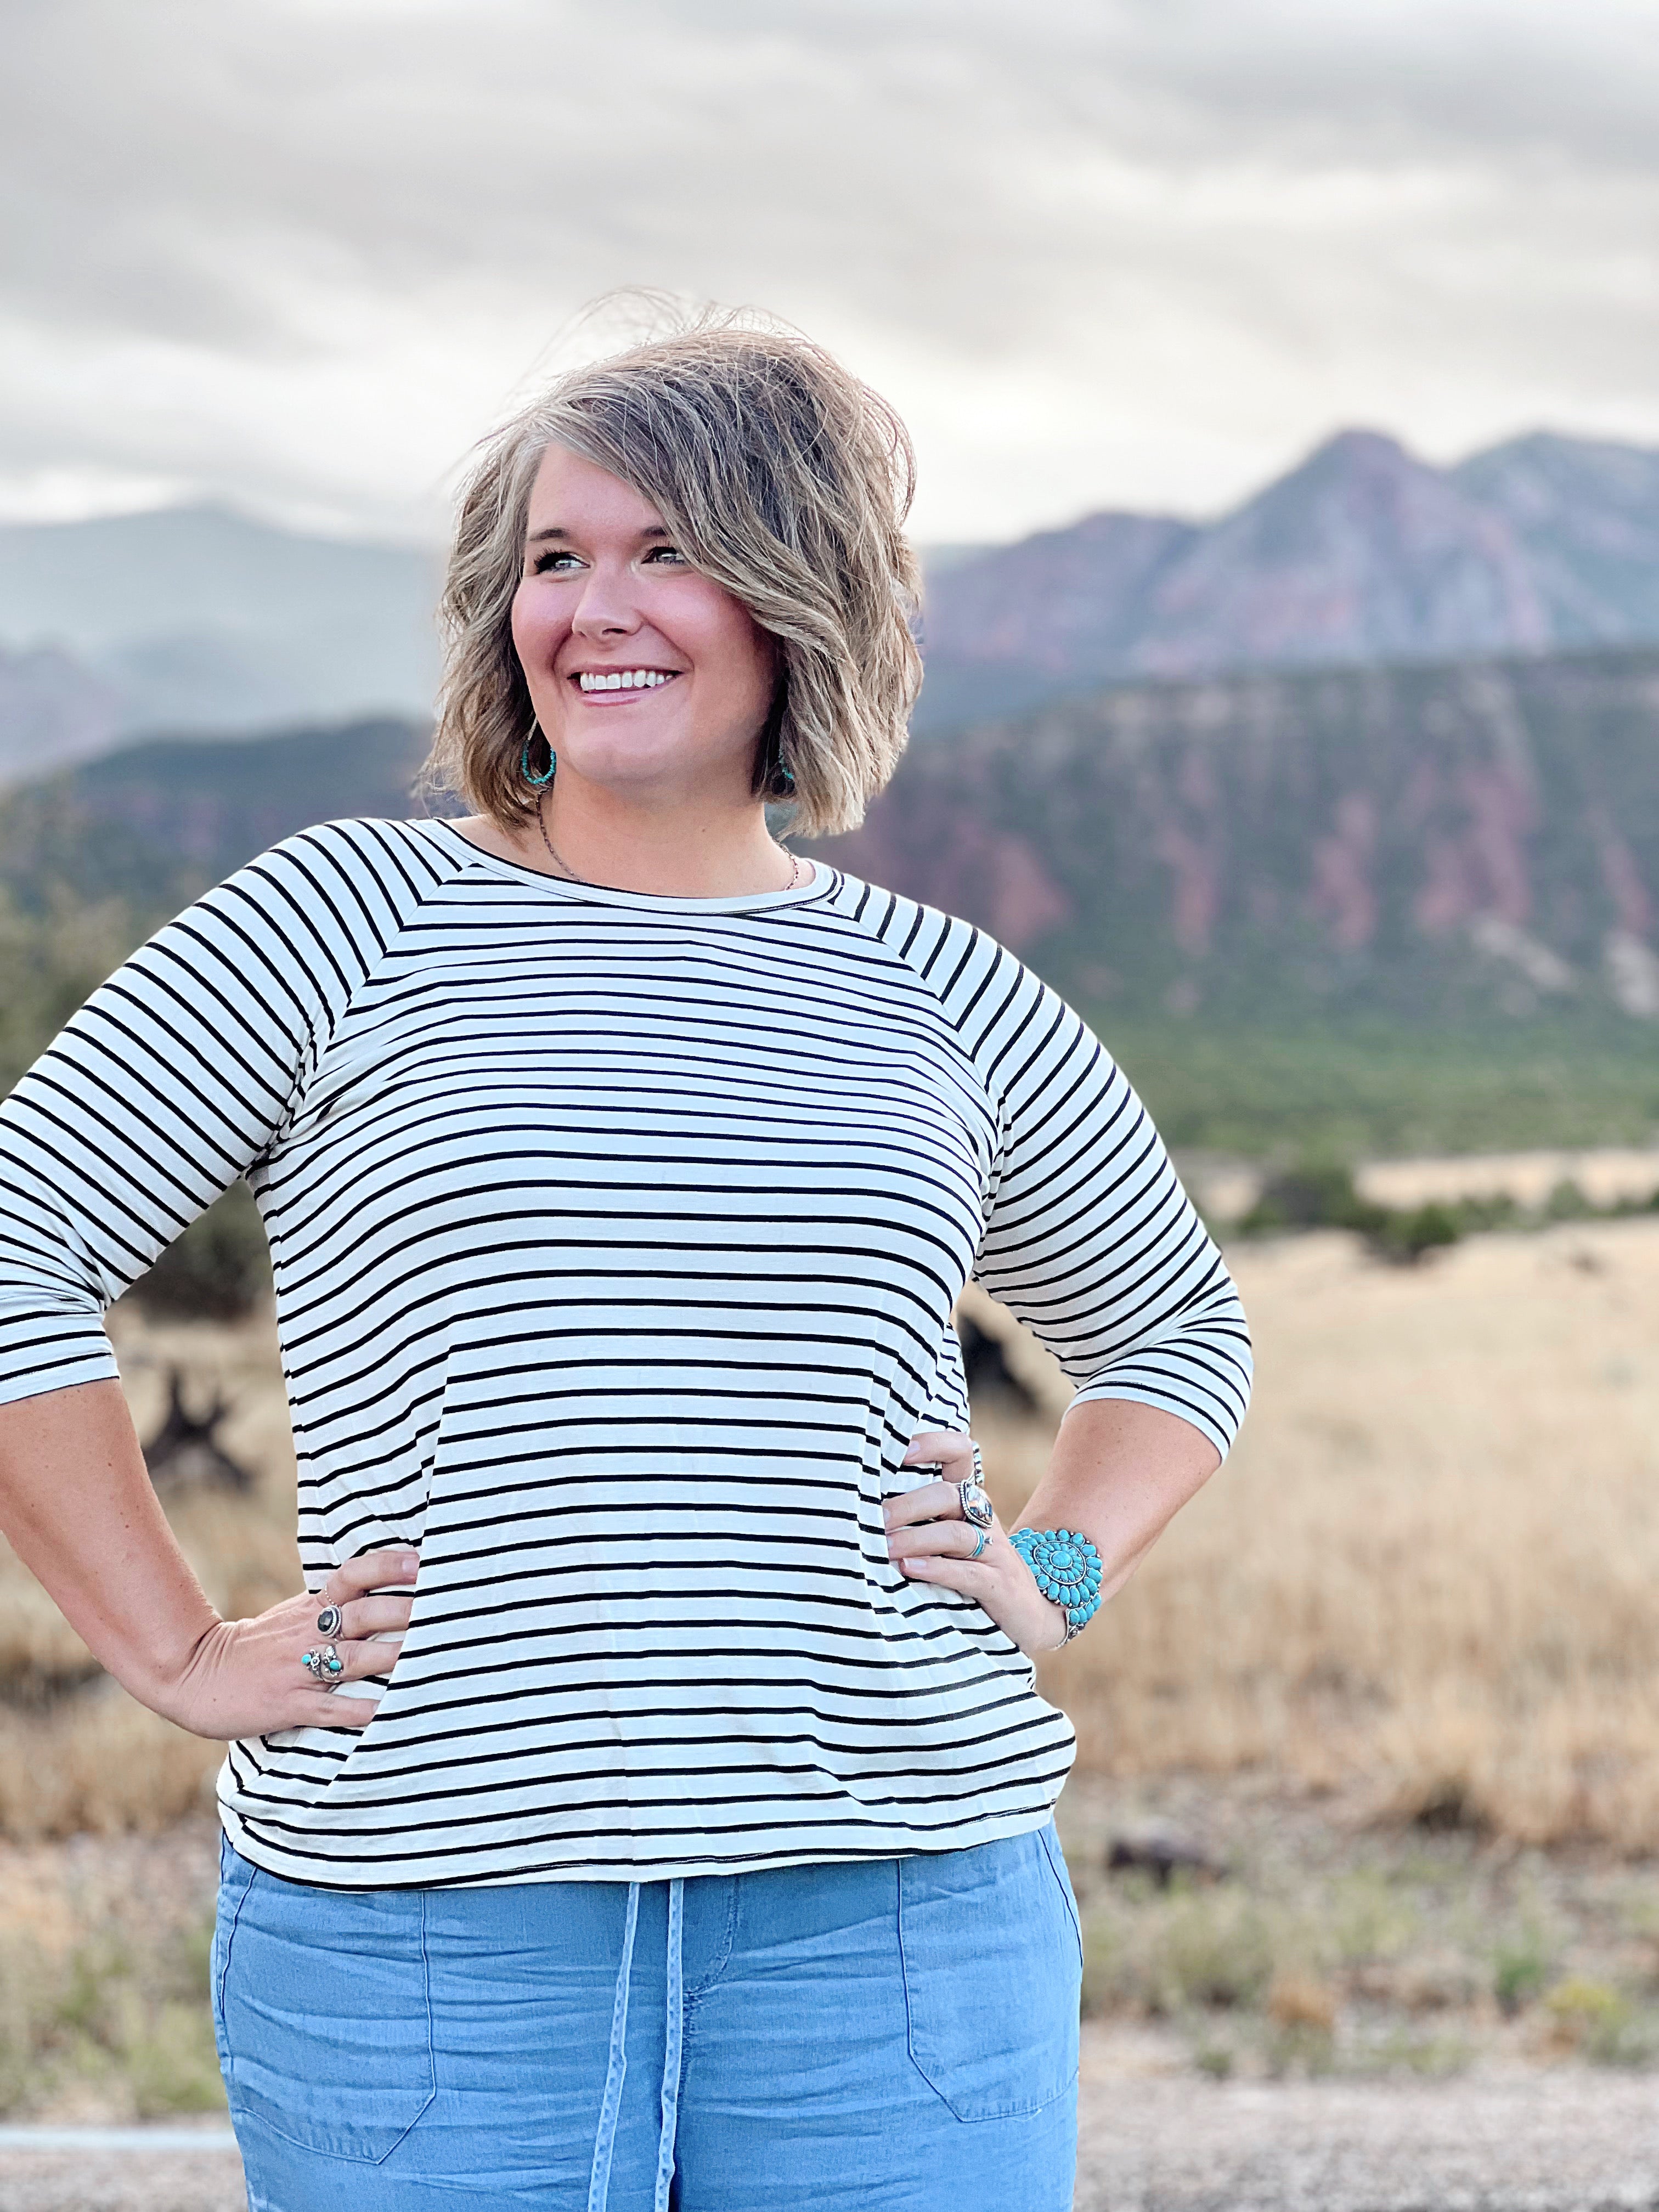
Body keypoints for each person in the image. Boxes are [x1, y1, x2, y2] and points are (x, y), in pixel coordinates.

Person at [0, 314, 1251, 2211]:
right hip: (431, 1943)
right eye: (555, 560)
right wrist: (167, 1646)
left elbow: (1176, 1331)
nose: (601, 609)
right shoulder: (346, 922)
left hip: (896, 1928)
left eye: (670, 551)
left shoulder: (942, 993)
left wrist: (1051, 1567)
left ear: (800, 597)